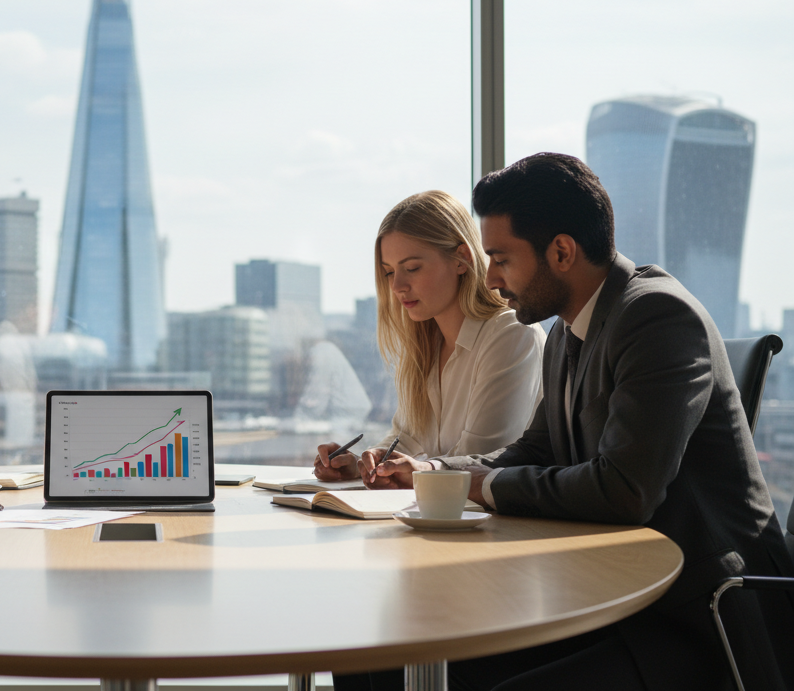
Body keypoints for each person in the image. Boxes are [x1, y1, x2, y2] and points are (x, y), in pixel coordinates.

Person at [371, 153, 794, 690]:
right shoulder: (567, 332)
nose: (493, 279)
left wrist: (484, 485)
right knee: (385, 655)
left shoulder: (657, 316)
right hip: (616, 598)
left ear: (562, 251)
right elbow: (534, 448)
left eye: (501, 258)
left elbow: (624, 491)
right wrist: (433, 471)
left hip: (700, 618)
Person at [313, 190, 543, 486]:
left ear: (461, 259)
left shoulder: (512, 334)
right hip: (443, 518)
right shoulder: (424, 345)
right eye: (388, 272)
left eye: (412, 268)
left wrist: (411, 471)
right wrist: (363, 465)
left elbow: (481, 460)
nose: (397, 286)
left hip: (498, 523)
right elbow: (405, 440)